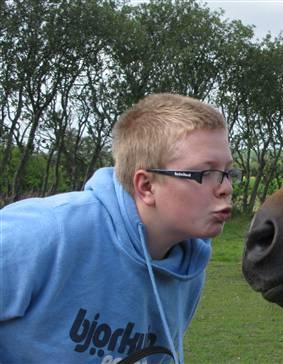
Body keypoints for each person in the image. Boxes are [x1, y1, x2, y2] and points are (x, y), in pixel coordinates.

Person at [0, 93, 240, 363]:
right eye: (204, 173)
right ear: (146, 186)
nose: (226, 188)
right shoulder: (42, 233)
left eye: (228, 172)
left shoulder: (188, 267)